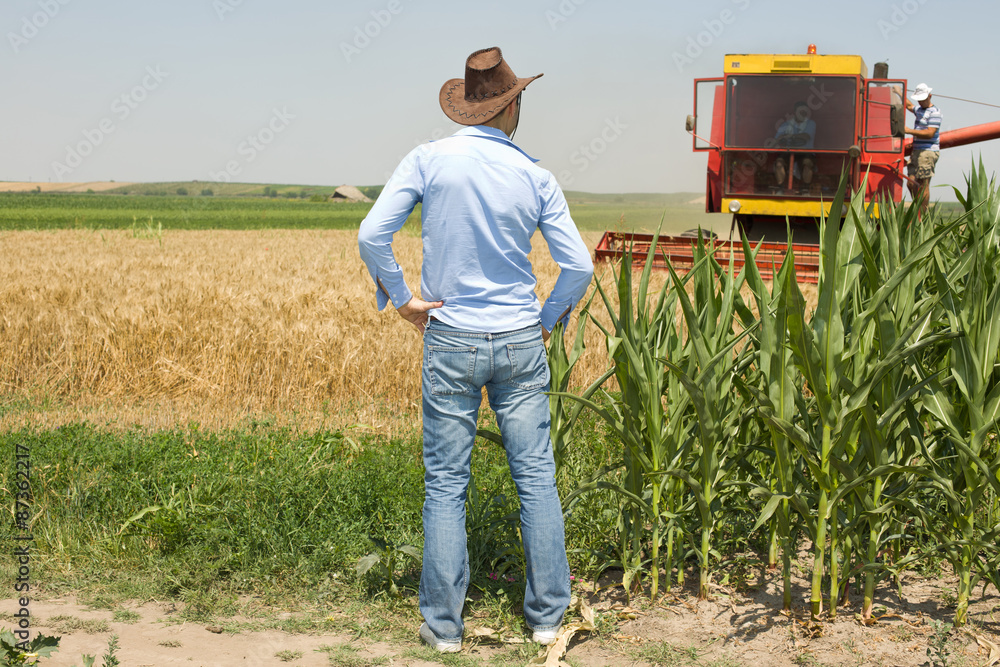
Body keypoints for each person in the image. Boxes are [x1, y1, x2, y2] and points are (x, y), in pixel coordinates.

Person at [358, 46, 594, 653]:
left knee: (446, 483)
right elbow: (578, 265)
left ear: (468, 107)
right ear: (511, 104)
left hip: (451, 338)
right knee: (537, 477)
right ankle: (545, 620)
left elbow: (371, 233)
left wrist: (403, 297)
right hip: (519, 340)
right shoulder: (535, 175)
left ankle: (443, 629)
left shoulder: (428, 160)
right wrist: (546, 321)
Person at [904, 83, 942, 216]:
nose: (920, 101)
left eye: (922, 99)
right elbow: (909, 106)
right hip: (917, 151)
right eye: (918, 99)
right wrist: (898, 92)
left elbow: (930, 133)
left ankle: (921, 216)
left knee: (922, 184)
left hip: (927, 151)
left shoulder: (935, 112)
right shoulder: (919, 110)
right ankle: (918, 209)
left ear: (930, 96)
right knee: (911, 183)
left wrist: (909, 131)